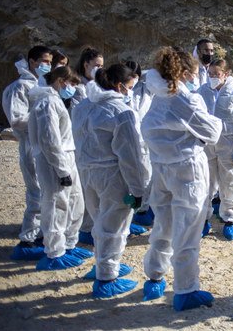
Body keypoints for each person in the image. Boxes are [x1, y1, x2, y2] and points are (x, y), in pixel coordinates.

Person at [141, 47, 222, 311]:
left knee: (163, 225)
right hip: (187, 171)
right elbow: (211, 130)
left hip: (161, 169)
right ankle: (186, 290)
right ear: (184, 73)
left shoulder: (157, 96)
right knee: (188, 229)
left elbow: (149, 130)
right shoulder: (183, 99)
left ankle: (154, 276)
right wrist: (197, 136)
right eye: (195, 72)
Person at [71, 64, 151, 298]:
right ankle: (107, 277)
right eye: (129, 87)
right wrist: (138, 189)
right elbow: (130, 156)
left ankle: (102, 264)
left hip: (86, 172)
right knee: (114, 227)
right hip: (112, 176)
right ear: (119, 86)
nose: (130, 92)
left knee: (99, 222)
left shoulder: (84, 105)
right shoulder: (121, 111)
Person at [27, 66, 91, 270]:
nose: (72, 88)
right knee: (56, 205)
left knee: (74, 201)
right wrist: (62, 170)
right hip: (54, 161)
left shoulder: (55, 100)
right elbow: (50, 140)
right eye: (71, 84)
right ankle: (54, 252)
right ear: (62, 80)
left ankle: (69, 244)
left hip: (66, 157)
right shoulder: (46, 102)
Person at [2, 46, 53, 260]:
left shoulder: (41, 85)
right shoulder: (19, 87)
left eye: (49, 62)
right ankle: (27, 238)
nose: (47, 66)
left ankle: (40, 233)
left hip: (44, 146)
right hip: (31, 145)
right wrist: (43, 119)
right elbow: (16, 119)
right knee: (37, 193)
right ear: (31, 62)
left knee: (47, 192)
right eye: (43, 61)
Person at [197, 59, 233, 241]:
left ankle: (229, 220)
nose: (212, 77)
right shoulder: (202, 92)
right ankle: (203, 220)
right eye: (210, 74)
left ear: (226, 74)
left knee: (230, 184)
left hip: (228, 146)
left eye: (216, 74)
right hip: (206, 147)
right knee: (205, 184)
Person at [72, 47, 104, 245]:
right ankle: (85, 228)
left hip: (94, 142)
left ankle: (92, 226)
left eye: (102, 66)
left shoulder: (97, 86)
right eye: (96, 65)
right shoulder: (77, 87)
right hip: (81, 141)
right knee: (85, 189)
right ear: (86, 64)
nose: (100, 69)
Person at [123, 59, 156, 227]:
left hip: (143, 140)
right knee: (129, 177)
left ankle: (142, 211)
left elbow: (155, 73)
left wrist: (140, 75)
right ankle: (133, 212)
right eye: (130, 76)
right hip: (126, 140)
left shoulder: (146, 88)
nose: (133, 79)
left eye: (135, 76)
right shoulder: (120, 90)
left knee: (146, 176)